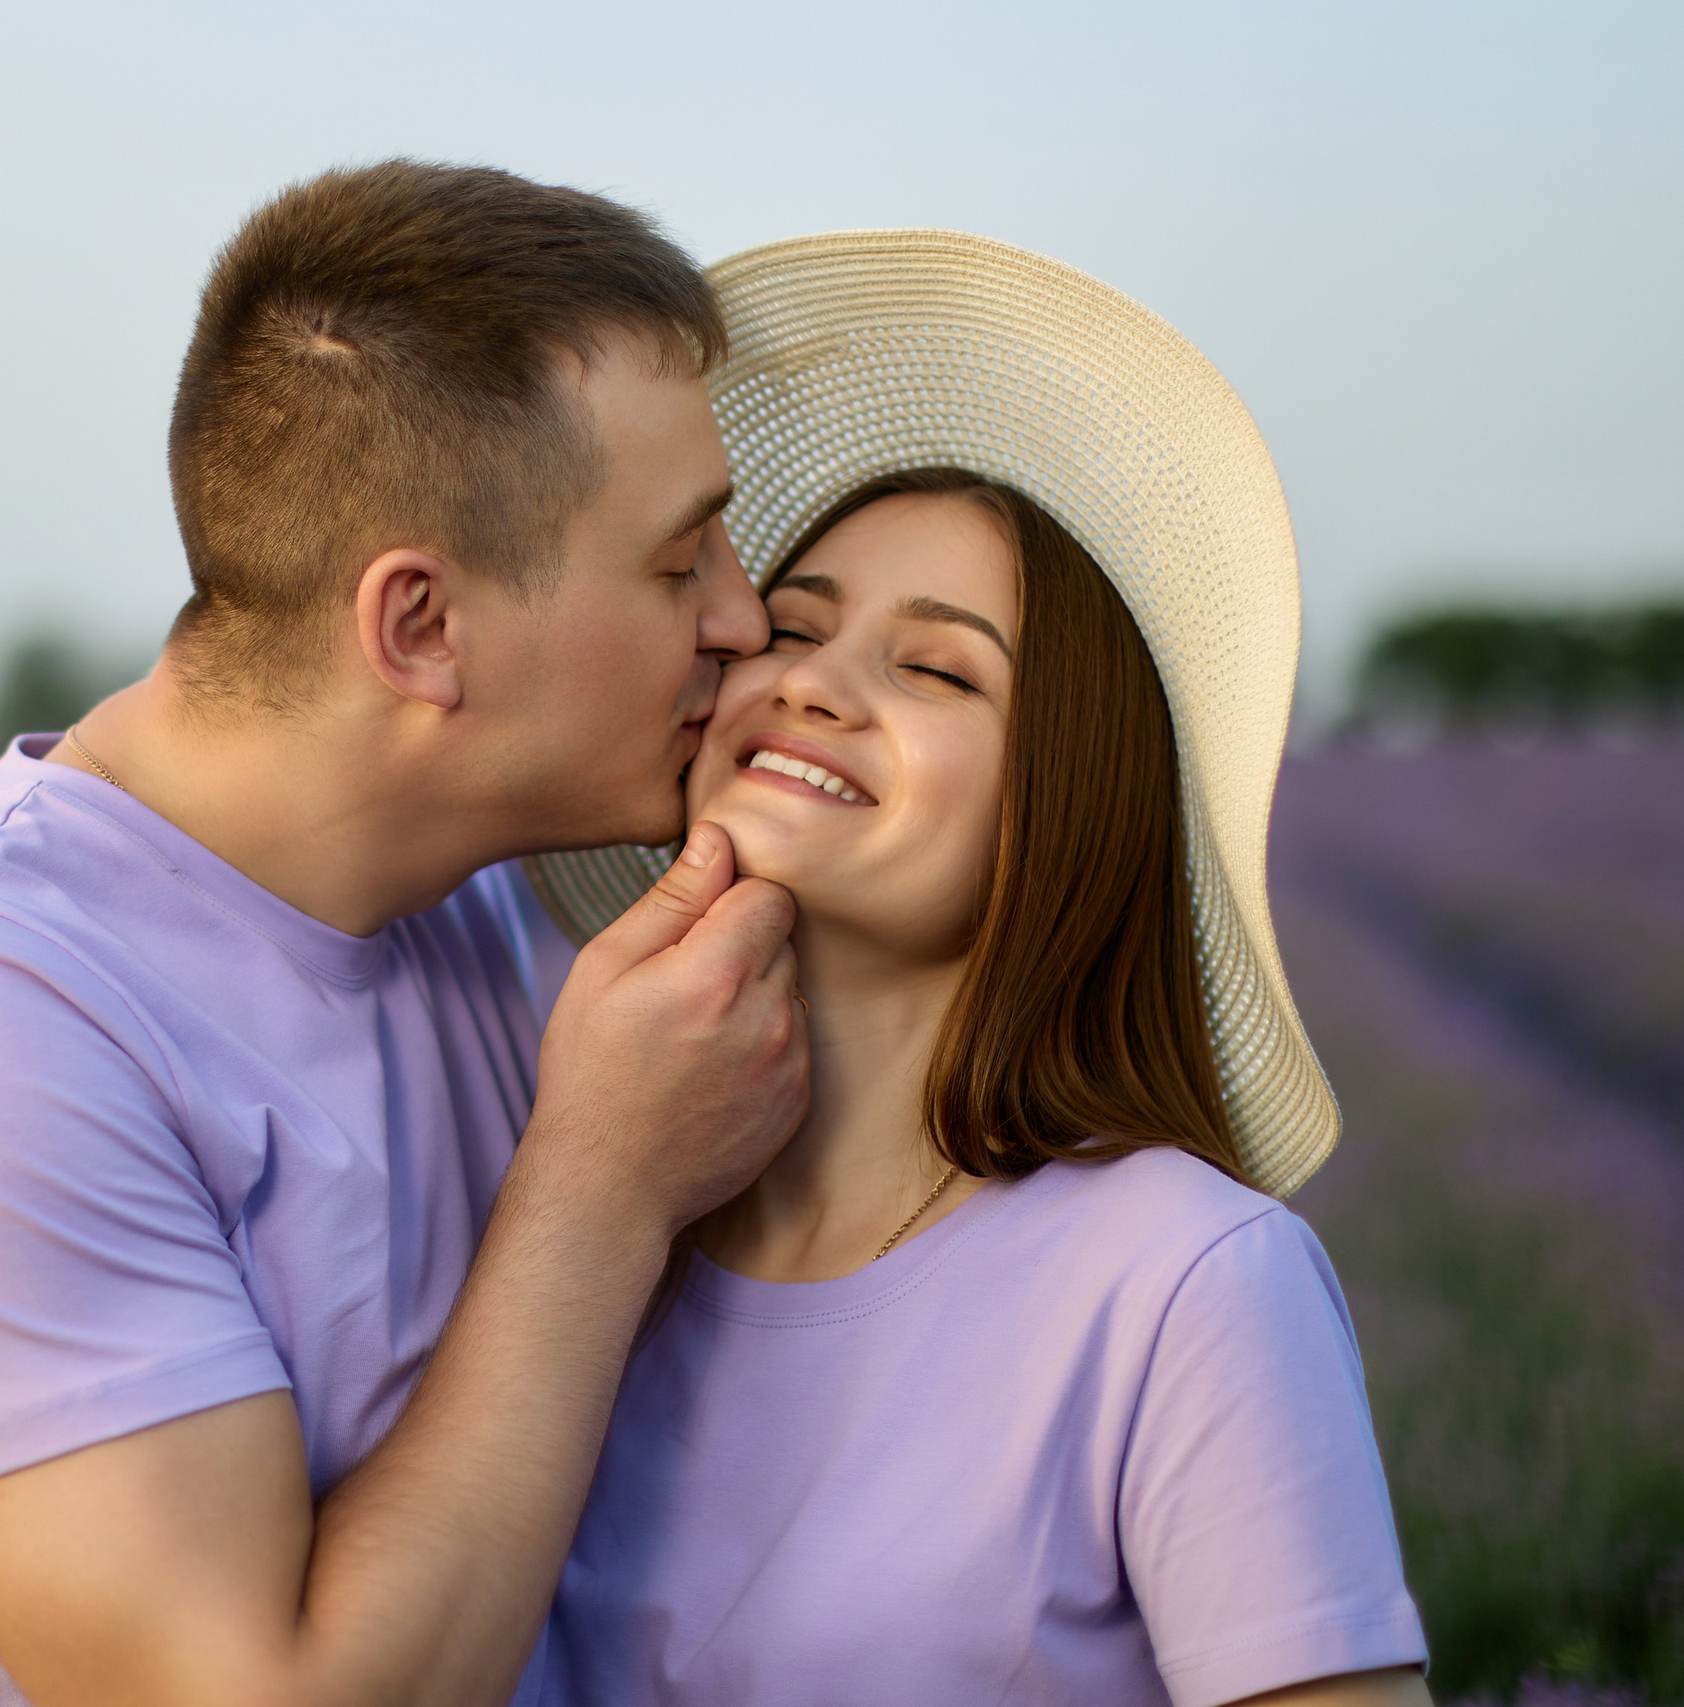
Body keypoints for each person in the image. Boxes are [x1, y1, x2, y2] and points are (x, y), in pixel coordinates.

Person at [0, 161, 813, 1707]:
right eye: (679, 559)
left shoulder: (525, 903)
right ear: (420, 627)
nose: (744, 619)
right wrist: (599, 1192)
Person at [521, 233, 1432, 1706]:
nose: (812, 680)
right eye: (794, 627)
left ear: (1065, 802)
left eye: (936, 669)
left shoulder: (1182, 1282)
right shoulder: (588, 1237)